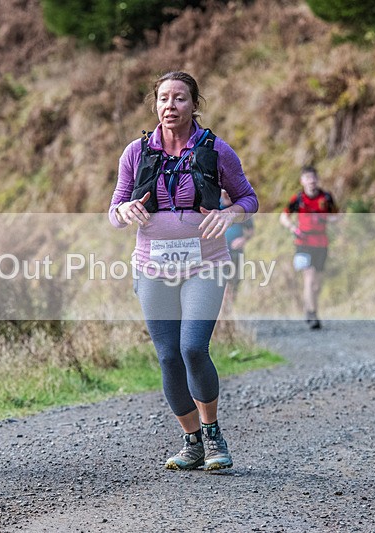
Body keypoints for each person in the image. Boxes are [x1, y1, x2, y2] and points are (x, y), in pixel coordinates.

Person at [109, 71, 258, 471]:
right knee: (168, 357)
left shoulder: (216, 150)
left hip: (205, 264)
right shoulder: (135, 153)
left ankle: (212, 435)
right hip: (152, 267)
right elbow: (115, 210)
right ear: (155, 105)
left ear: (194, 104)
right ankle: (191, 441)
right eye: (162, 99)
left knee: (193, 347)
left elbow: (249, 197)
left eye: (179, 98)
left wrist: (230, 214)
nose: (169, 106)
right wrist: (124, 211)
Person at [279, 166, 338, 330]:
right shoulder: (298, 199)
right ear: (302, 181)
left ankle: (310, 308)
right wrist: (292, 228)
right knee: (309, 278)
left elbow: (336, 216)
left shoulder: (326, 197)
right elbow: (283, 217)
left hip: (321, 243)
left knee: (317, 284)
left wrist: (325, 218)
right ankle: (312, 314)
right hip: (303, 243)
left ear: (317, 179)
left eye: (313, 178)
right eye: (307, 178)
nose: (311, 181)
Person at [220, 188, 254, 312]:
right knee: (221, 284)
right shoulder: (214, 206)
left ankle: (228, 312)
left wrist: (243, 239)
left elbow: (250, 230)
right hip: (219, 253)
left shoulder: (240, 208)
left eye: (229, 192)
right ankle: (221, 315)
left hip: (236, 253)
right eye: (224, 193)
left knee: (234, 283)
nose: (227, 195)